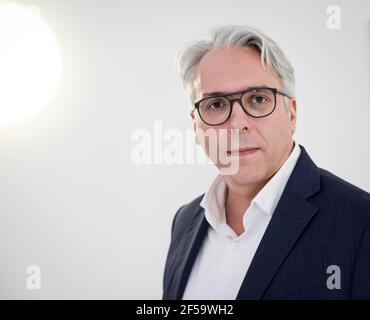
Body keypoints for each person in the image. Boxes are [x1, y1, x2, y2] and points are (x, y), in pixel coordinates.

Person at [162, 24, 370, 299]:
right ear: (196, 127)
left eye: (258, 99)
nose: (237, 124)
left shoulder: (360, 221)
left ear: (291, 113)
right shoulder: (183, 221)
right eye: (216, 104)